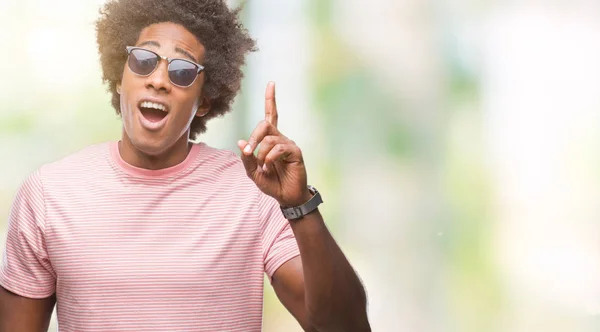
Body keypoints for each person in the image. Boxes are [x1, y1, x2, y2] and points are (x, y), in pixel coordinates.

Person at [0, 0, 370, 331]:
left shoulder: (252, 192)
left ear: (205, 100)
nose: (159, 80)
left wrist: (299, 205)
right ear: (119, 78)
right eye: (143, 61)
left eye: (181, 71)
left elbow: (346, 327)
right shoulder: (49, 194)